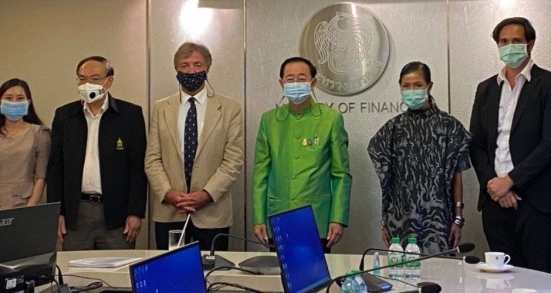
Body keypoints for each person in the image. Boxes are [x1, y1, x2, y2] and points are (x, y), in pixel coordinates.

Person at [469, 17, 551, 275]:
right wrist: (495, 185)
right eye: (503, 41)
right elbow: (477, 144)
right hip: (496, 201)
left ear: (531, 43)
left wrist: (511, 181)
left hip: (539, 201)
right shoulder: (486, 89)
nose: (509, 46)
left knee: (542, 275)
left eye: (516, 40)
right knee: (502, 278)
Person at [146, 42, 244, 250]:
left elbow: (233, 161)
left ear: (207, 68)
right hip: (170, 210)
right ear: (176, 70)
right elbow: (152, 159)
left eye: (197, 65)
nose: (191, 71)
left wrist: (206, 195)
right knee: (170, 275)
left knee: (211, 276)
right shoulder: (160, 108)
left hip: (212, 212)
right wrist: (168, 193)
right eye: (185, 65)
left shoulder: (230, 109)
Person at [368, 62, 471, 254]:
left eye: (417, 85)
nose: (411, 90)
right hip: (401, 219)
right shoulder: (393, 129)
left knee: (439, 274)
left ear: (429, 86)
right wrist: (384, 221)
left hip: (439, 219)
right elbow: (386, 182)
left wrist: (458, 218)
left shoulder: (449, 126)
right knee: (402, 276)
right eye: (406, 86)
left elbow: (457, 175)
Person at [252, 57, 352, 253]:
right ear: (281, 83)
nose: (295, 84)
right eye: (290, 79)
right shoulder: (269, 120)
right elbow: (260, 173)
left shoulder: (331, 119)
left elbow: (341, 174)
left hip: (317, 218)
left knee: (316, 279)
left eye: (301, 78)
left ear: (313, 83)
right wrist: (258, 218)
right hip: (278, 217)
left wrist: (337, 218)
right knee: (281, 279)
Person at [47, 56, 147, 250]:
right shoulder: (64, 115)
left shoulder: (130, 115)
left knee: (118, 274)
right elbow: (55, 167)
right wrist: (56, 212)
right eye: (82, 79)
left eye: (94, 78)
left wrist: (135, 212)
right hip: (76, 214)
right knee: (75, 274)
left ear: (108, 81)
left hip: (116, 215)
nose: (87, 84)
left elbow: (137, 167)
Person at [0, 78, 51, 256]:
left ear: (28, 103)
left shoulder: (40, 133)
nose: (14, 102)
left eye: (19, 98)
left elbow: (41, 177)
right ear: (0, 102)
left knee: (29, 265)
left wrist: (29, 212)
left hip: (28, 208)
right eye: (9, 98)